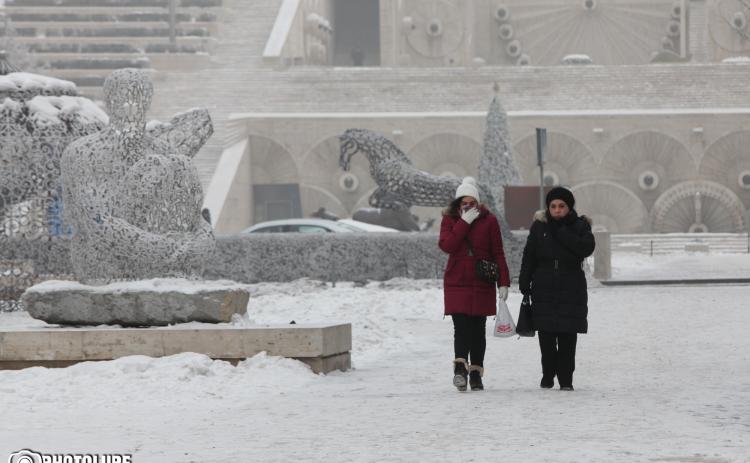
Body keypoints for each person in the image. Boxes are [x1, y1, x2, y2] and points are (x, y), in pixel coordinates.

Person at [519, 187, 595, 391]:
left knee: (568, 336)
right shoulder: (539, 227)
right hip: (544, 286)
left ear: (569, 207)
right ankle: (547, 374)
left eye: (562, 206)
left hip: (571, 286)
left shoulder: (580, 226)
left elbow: (586, 247)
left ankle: (566, 379)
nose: (557, 210)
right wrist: (524, 281)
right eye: (553, 206)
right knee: (546, 337)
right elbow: (529, 256)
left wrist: (562, 232)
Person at [439, 177, 510, 392]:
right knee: (460, 328)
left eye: (471, 202)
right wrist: (464, 223)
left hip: (481, 281)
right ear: (457, 203)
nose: (467, 206)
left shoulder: (489, 221)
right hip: (457, 281)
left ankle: (476, 373)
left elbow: (498, 252)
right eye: (463, 202)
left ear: (478, 202)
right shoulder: (450, 219)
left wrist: (503, 282)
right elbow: (447, 245)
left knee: (478, 330)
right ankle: (460, 371)